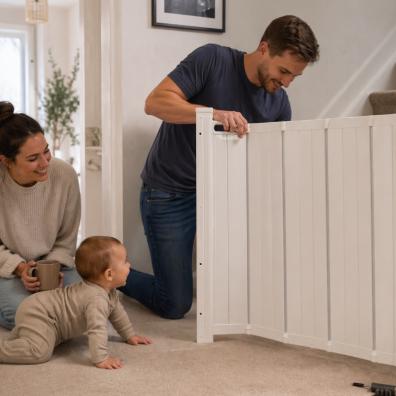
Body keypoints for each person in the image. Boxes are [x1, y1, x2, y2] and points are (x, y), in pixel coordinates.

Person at [119, 15, 320, 319]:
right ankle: (110, 274)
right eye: (283, 71)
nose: (286, 83)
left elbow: (272, 165)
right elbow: (155, 103)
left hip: (224, 195)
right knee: (174, 304)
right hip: (170, 193)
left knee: (235, 293)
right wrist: (213, 114)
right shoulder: (213, 59)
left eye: (294, 76)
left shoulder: (279, 102)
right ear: (264, 48)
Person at [0, 236, 152, 369]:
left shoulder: (109, 291)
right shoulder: (96, 299)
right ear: (109, 274)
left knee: (47, 339)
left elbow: (117, 314)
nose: (129, 265)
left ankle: (22, 338)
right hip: (39, 312)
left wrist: (129, 335)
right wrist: (101, 358)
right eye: (125, 262)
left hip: (44, 312)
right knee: (40, 352)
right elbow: (97, 329)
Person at [0, 101, 81, 329]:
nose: (45, 163)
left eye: (46, 151)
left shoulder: (64, 175)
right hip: (6, 270)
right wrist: (20, 268)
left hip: (56, 267)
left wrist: (50, 268)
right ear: (5, 161)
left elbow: (66, 240)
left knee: (86, 308)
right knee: (31, 316)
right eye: (33, 158)